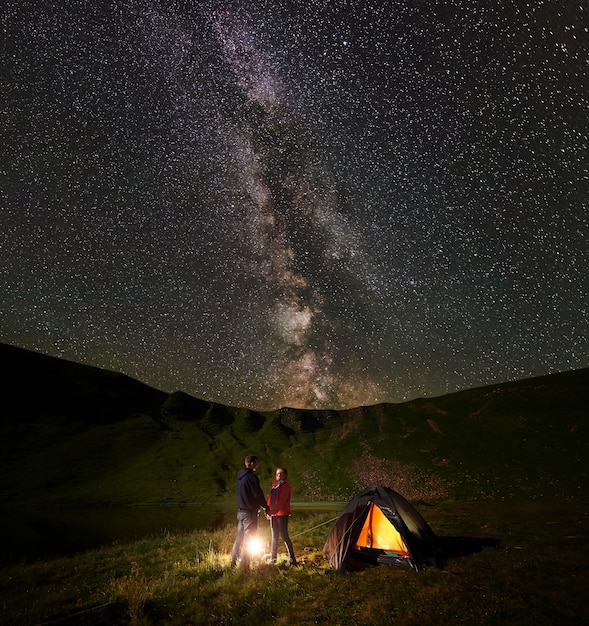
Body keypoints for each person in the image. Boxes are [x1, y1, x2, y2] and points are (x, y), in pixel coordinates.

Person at [230, 455, 268, 568]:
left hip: (240, 512)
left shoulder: (240, 477)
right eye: (256, 463)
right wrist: (265, 506)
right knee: (248, 539)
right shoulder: (251, 477)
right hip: (249, 513)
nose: (257, 465)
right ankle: (244, 567)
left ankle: (233, 563)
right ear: (251, 463)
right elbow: (258, 494)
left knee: (239, 538)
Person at [266, 467, 297, 566]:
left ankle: (292, 559)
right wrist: (268, 510)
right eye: (277, 474)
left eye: (281, 473)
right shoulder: (275, 485)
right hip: (274, 514)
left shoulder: (286, 486)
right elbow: (271, 499)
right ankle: (273, 559)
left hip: (282, 514)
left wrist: (272, 511)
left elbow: (282, 501)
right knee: (274, 536)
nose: (278, 475)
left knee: (284, 536)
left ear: (285, 475)